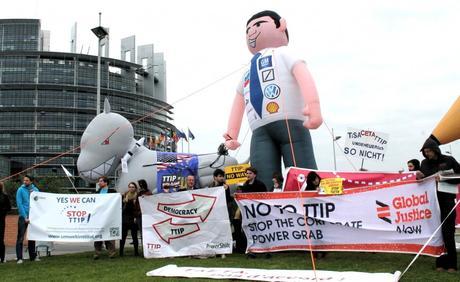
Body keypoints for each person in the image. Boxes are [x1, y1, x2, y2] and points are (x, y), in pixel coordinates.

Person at [224, 10, 322, 189]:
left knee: (304, 175)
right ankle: (269, 213)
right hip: (260, 132)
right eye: (249, 29)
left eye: (258, 25)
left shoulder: (284, 55)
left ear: (281, 26)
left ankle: (312, 207)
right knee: (262, 180)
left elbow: (302, 72)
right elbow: (238, 100)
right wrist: (232, 134)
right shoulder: (247, 72)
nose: (252, 31)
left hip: (290, 123)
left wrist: (314, 107)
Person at [417, 136, 460, 273]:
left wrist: (443, 178)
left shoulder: (449, 160)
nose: (427, 154)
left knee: (448, 232)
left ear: (435, 150)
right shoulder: (424, 163)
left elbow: (459, 176)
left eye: (429, 151)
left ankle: (452, 264)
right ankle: (440, 263)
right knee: (437, 233)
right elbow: (422, 181)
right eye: (425, 151)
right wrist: (418, 177)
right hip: (432, 202)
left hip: (447, 200)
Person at [15, 175, 39, 264]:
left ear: (31, 181)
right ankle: (19, 258)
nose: (25, 182)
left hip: (33, 217)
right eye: (24, 180)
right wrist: (25, 217)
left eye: (27, 180)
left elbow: (39, 203)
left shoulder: (36, 190)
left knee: (32, 237)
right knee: (20, 238)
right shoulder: (20, 190)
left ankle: (33, 256)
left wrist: (34, 195)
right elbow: (19, 204)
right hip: (23, 217)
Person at [93, 176, 116, 260]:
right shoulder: (97, 193)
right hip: (99, 217)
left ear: (106, 183)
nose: (99, 183)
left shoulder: (113, 192)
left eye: (101, 181)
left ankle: (111, 252)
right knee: (98, 235)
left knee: (109, 235)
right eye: (99, 181)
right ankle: (97, 253)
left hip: (109, 216)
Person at [119, 182, 139, 257]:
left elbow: (137, 208)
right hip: (125, 217)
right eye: (130, 187)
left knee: (134, 236)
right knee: (123, 236)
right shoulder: (125, 195)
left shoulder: (137, 196)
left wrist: (135, 217)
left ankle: (136, 252)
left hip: (133, 217)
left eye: (133, 187)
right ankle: (121, 252)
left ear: (135, 188)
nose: (131, 188)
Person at [0, 182, 11, 263]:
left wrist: (3, 212)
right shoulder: (5, 196)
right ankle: (2, 258)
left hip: (1, 220)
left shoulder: (4, 196)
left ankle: (2, 258)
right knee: (1, 239)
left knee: (1, 239)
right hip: (2, 220)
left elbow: (8, 207)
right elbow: (8, 208)